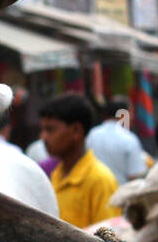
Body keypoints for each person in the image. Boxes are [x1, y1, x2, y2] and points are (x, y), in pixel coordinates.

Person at [39, 94, 118, 229]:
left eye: (50, 129)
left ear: (76, 130)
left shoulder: (99, 179)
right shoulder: (57, 174)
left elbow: (111, 241)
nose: (43, 137)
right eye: (43, 129)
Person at [86, 97, 146, 185]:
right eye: (131, 113)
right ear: (123, 115)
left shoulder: (90, 136)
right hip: (121, 195)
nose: (132, 118)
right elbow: (135, 176)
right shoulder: (129, 139)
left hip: (94, 194)